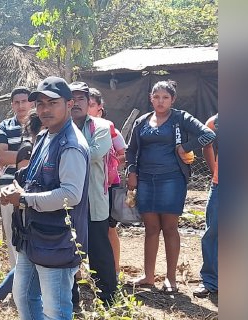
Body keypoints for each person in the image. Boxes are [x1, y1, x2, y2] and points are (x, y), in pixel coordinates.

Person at [0, 77, 90, 320]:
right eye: (40, 103)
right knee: (23, 298)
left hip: (58, 239)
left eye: (52, 102)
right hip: (33, 236)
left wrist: (23, 199)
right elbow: (38, 181)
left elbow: (70, 195)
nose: (45, 109)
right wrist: (20, 188)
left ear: (69, 104)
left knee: (56, 309)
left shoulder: (71, 144)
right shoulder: (47, 136)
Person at [125, 80, 216, 293]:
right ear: (151, 98)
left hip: (172, 180)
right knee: (151, 229)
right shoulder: (142, 121)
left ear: (173, 99)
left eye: (165, 97)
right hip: (146, 181)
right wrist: (131, 172)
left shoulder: (180, 118)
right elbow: (131, 150)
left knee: (169, 228)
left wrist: (185, 147)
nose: (160, 101)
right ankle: (148, 276)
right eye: (156, 97)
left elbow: (209, 134)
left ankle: (171, 279)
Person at [0, 111, 42, 310]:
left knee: (29, 255)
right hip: (32, 207)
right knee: (29, 255)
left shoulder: (40, 148)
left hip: (35, 204)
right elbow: (24, 180)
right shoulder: (29, 150)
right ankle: (0, 296)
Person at [69, 81, 118, 307]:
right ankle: (70, 301)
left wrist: (65, 150)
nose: (76, 103)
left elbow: (96, 153)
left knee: (99, 250)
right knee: (68, 250)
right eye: (72, 98)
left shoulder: (100, 126)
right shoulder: (59, 127)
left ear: (89, 102)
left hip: (93, 200)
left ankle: (108, 299)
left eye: (81, 98)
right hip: (66, 201)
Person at [88, 87, 126, 272]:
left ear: (99, 109)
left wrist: (107, 163)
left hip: (108, 185)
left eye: (91, 105)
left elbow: (124, 156)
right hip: (87, 186)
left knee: (109, 229)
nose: (86, 108)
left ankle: (115, 270)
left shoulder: (110, 131)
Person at [194, 113, 218, 298]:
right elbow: (206, 143)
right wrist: (213, 170)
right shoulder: (217, 120)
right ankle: (210, 281)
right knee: (213, 232)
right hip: (221, 185)